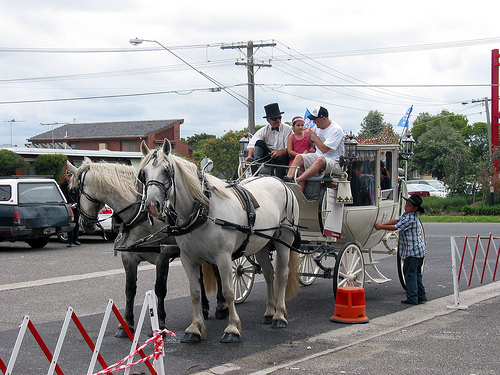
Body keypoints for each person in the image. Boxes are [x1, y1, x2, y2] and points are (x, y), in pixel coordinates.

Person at [374, 195, 427, 305]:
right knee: (416, 274)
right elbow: (396, 220)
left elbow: (396, 227)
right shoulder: (407, 215)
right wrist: (383, 224)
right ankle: (421, 295)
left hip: (412, 251)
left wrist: (381, 227)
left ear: (415, 208)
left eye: (409, 205)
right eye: (406, 205)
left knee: (410, 274)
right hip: (418, 251)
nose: (406, 207)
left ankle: (412, 297)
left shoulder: (410, 219)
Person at [283, 106, 345, 190]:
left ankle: (295, 181)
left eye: (315, 119)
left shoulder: (336, 129)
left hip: (335, 162)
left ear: (323, 118)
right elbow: (307, 138)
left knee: (319, 160)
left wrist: (312, 134)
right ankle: (287, 181)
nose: (313, 121)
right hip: (318, 156)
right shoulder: (317, 127)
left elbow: (324, 149)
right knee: (299, 157)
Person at [245, 103, 292, 179]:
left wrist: (279, 153)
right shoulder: (263, 130)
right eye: (274, 119)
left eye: (280, 118)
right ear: (268, 120)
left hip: (282, 156)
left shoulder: (287, 129)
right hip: (268, 156)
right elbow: (253, 143)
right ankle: (256, 165)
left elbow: (289, 148)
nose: (278, 120)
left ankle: (279, 181)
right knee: (259, 142)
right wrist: (250, 156)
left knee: (281, 159)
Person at [60, 170, 81, 247]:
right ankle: (69, 241)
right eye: (68, 176)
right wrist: (66, 204)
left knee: (76, 224)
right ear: (65, 176)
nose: (70, 177)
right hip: (67, 208)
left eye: (71, 176)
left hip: (75, 207)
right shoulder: (62, 186)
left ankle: (75, 240)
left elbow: (79, 197)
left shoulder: (76, 185)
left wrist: (75, 204)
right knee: (69, 224)